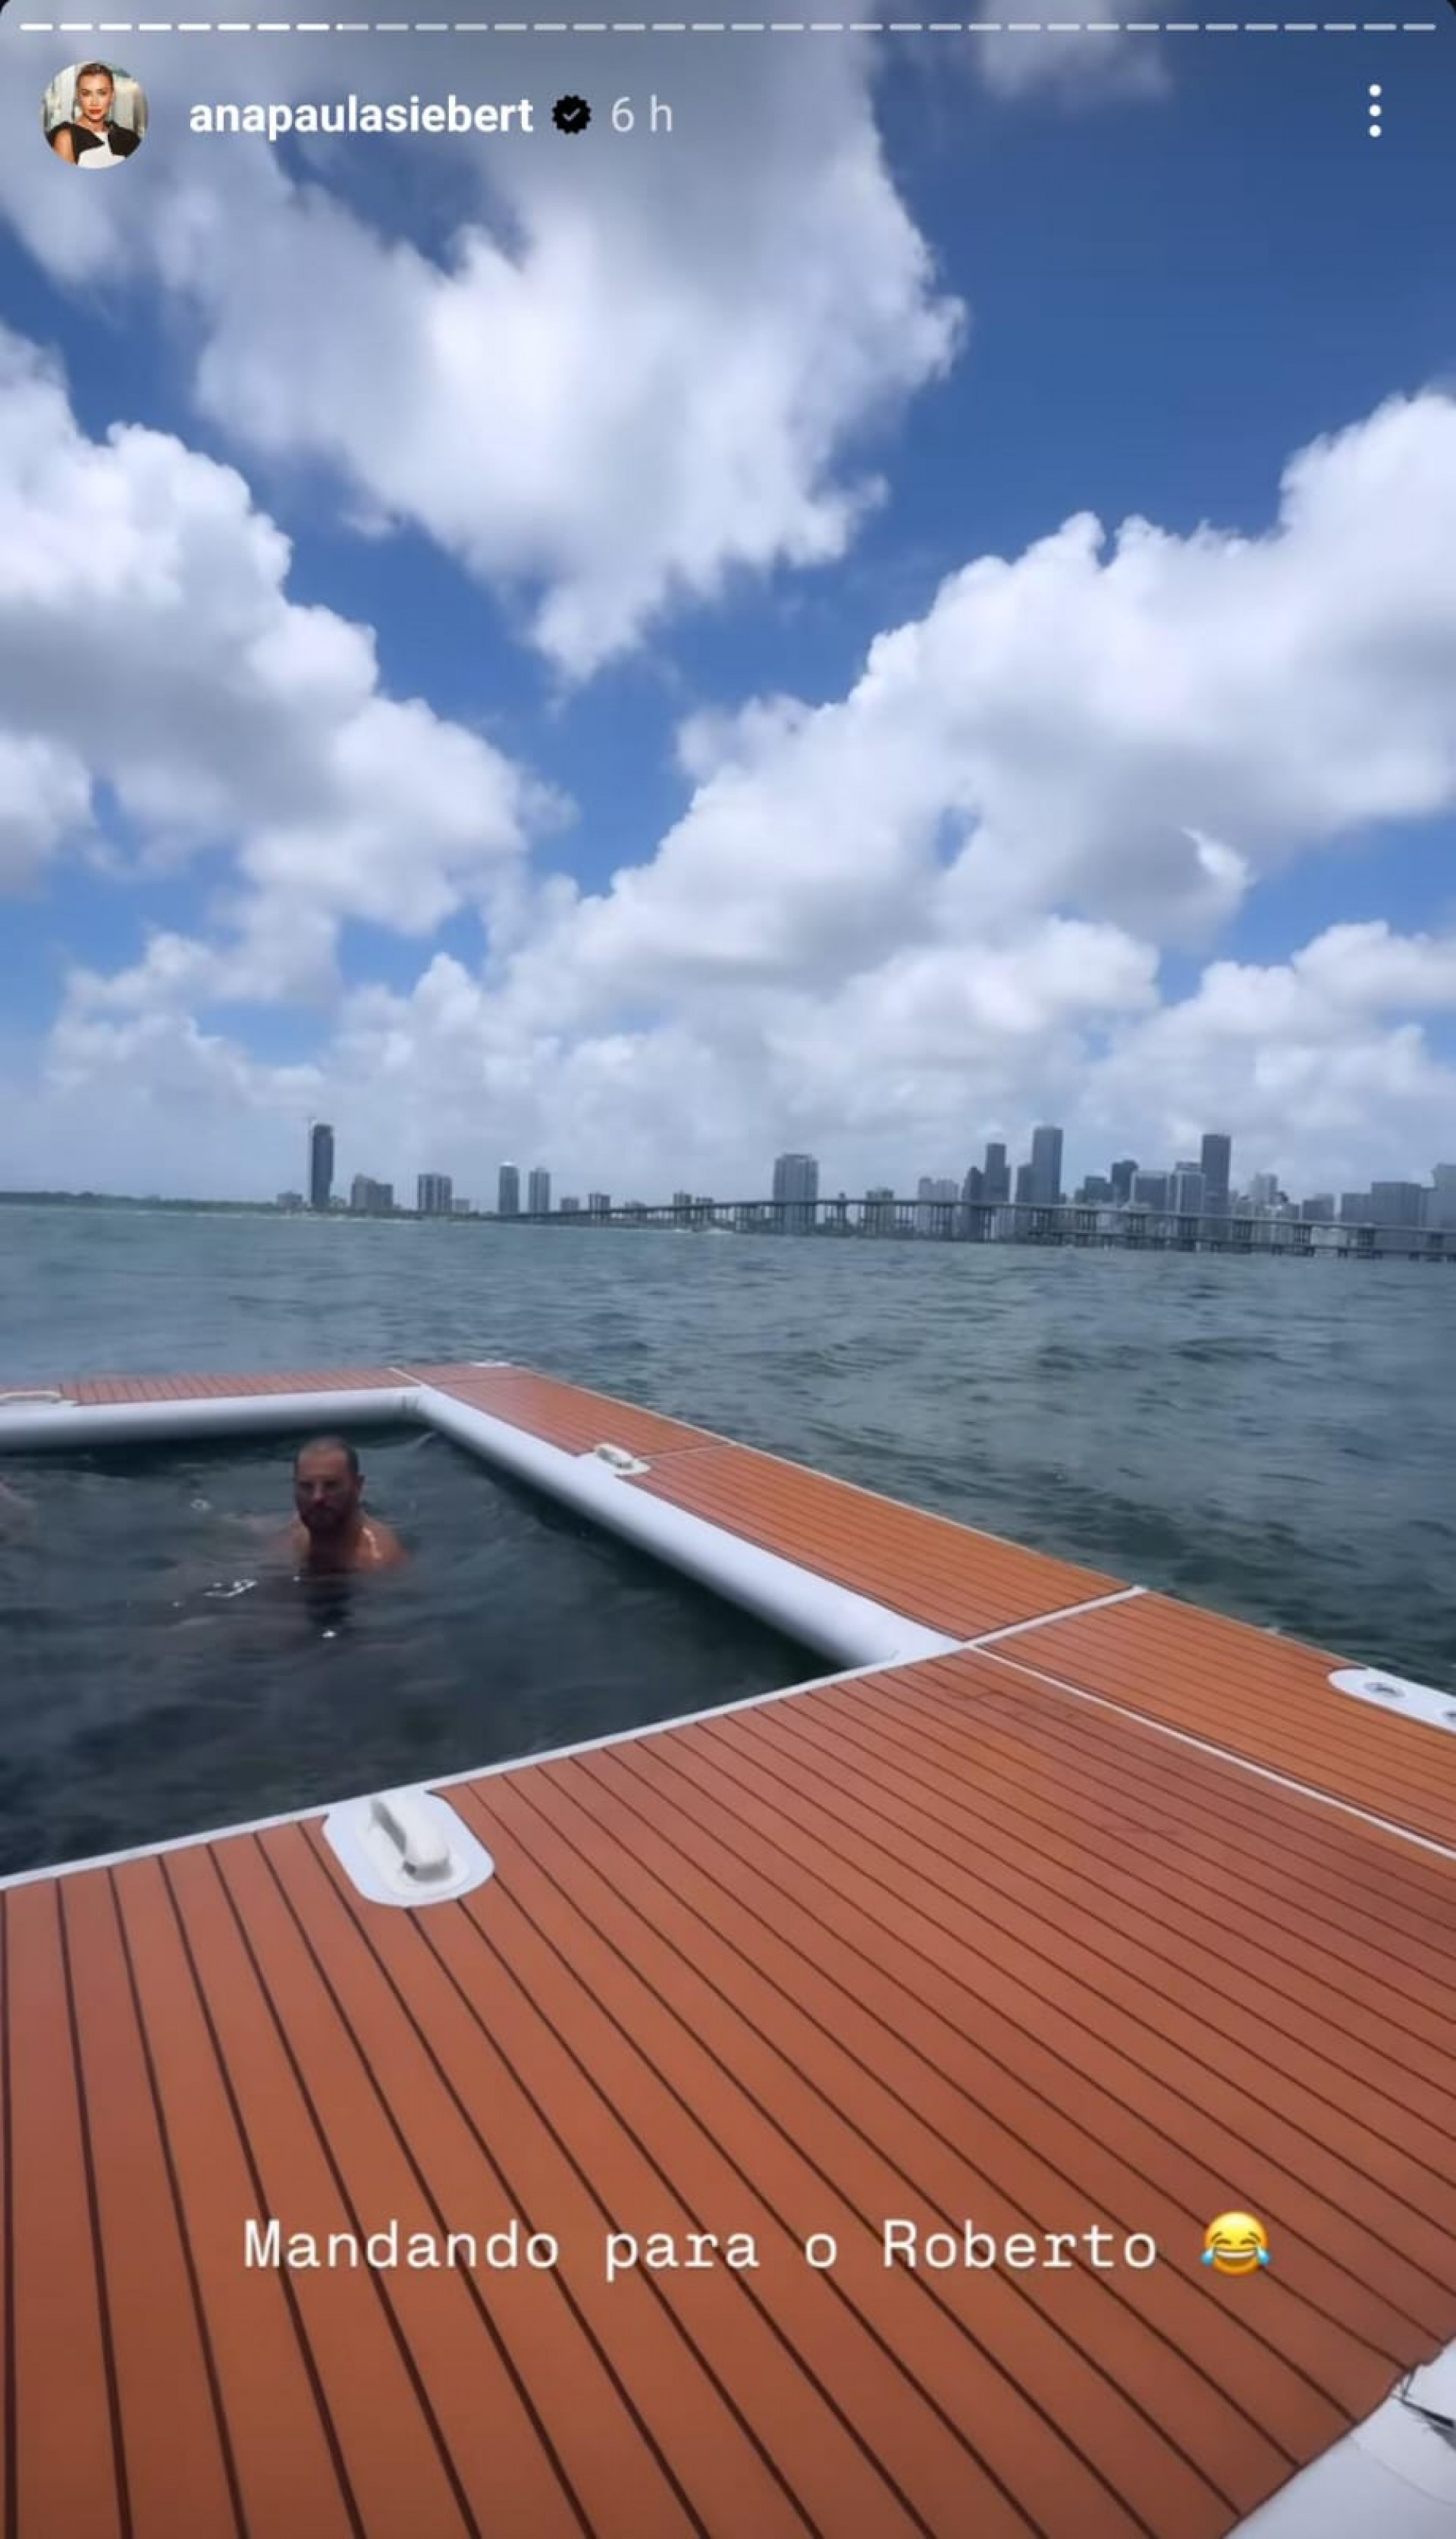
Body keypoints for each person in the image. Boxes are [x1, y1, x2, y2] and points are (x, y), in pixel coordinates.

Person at [289, 1436, 406, 1574]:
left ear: (357, 1486)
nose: (317, 1497)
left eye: (331, 1485)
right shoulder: (292, 1536)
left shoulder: (378, 1562)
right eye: (306, 1486)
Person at [49, 64, 143, 167]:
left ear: (112, 96)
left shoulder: (129, 138)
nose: (94, 102)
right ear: (78, 97)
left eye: (102, 93)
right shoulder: (66, 138)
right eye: (86, 94)